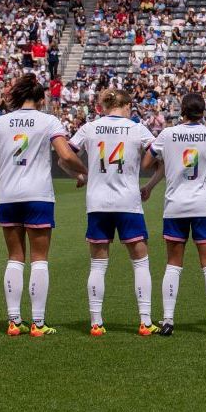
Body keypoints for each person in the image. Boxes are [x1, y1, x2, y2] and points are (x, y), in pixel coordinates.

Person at [0, 74, 85, 337]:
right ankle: (38, 323)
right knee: (40, 259)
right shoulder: (48, 120)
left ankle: (13, 321)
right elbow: (66, 154)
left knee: (14, 257)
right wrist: (85, 172)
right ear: (41, 99)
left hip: (7, 195)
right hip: (38, 195)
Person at [142, 93, 206, 337]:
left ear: (183, 111)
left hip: (175, 206)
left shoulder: (167, 134)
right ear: (204, 112)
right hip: (205, 206)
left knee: (173, 264)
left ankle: (168, 320)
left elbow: (147, 162)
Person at [69, 88, 159, 336]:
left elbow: (64, 156)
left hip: (98, 203)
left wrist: (80, 174)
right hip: (128, 202)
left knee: (98, 265)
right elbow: (158, 157)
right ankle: (145, 321)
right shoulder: (137, 128)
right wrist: (150, 185)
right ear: (127, 104)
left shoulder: (90, 127)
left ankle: (96, 323)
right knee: (140, 262)